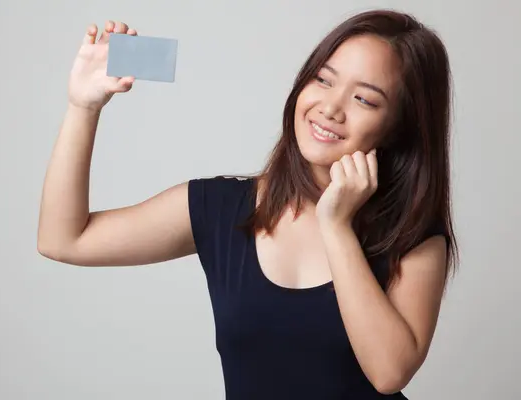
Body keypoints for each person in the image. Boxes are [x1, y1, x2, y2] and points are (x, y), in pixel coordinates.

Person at [37, 8, 458, 399]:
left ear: (398, 127)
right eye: (324, 80)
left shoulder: (414, 235)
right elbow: (64, 240)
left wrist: (336, 226)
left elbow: (389, 373)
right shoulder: (220, 206)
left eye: (364, 99)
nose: (329, 108)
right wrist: (82, 107)